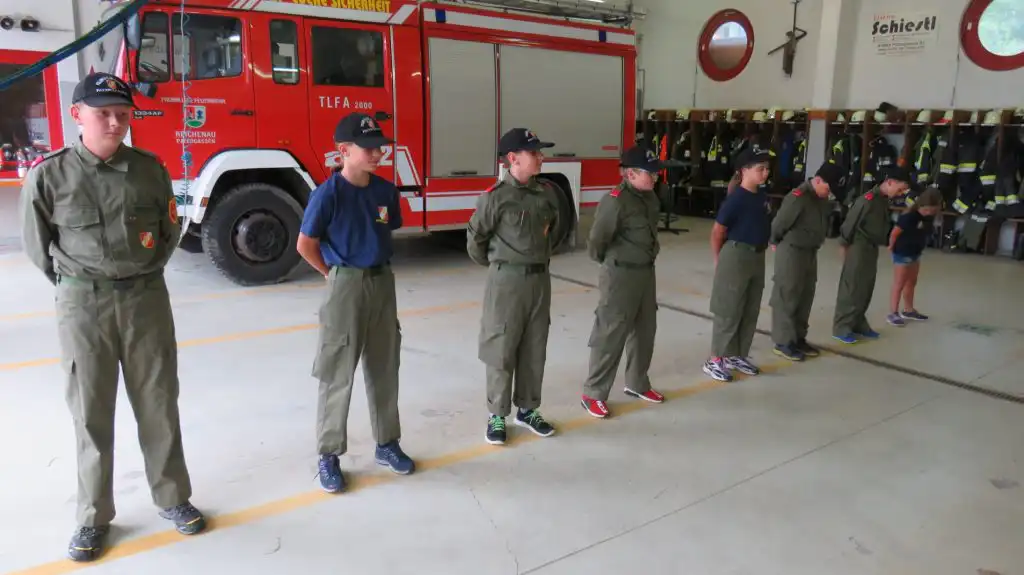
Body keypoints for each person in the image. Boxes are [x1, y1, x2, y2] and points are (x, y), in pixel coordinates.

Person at [19, 72, 206, 562]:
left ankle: (172, 496)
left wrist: (139, 274)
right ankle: (93, 515)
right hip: (84, 305)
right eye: (102, 113)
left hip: (145, 300)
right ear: (77, 114)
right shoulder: (50, 175)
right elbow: (39, 247)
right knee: (90, 411)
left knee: (158, 401)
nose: (114, 122)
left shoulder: (149, 169)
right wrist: (80, 286)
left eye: (122, 113)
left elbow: (168, 231)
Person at [296, 112, 415, 494]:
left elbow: (387, 227)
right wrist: (330, 274)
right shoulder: (328, 194)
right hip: (345, 283)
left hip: (381, 283)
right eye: (368, 148)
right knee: (337, 371)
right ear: (343, 151)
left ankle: (387, 442)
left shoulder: (385, 192)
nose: (377, 153)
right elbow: (305, 244)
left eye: (380, 147)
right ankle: (329, 454)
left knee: (385, 366)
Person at [467, 128, 559, 445]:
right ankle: (497, 414)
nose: (541, 157)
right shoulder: (495, 197)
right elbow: (475, 242)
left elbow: (555, 231)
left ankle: (528, 409)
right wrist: (502, 265)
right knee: (501, 347)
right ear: (512, 158)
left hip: (539, 279)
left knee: (535, 346)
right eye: (534, 153)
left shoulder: (547, 193)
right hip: (506, 281)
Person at [581, 146, 685, 418]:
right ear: (630, 174)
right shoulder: (615, 201)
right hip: (620, 275)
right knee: (611, 332)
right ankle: (593, 393)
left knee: (645, 330)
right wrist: (613, 264)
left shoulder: (650, 198)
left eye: (656, 172)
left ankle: (637, 383)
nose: (656, 177)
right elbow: (596, 242)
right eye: (650, 173)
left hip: (645, 273)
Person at [702, 146, 773, 383]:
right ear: (744, 171)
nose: (765, 173)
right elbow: (717, 232)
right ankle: (715, 359)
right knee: (729, 309)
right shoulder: (736, 199)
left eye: (767, 169)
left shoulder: (761, 196)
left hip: (756, 256)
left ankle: (736, 354)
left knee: (749, 308)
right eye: (760, 169)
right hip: (736, 255)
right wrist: (719, 259)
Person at [768, 161, 846, 361]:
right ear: (818, 180)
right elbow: (779, 224)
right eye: (828, 188)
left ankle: (798, 337)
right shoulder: (798, 197)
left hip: (810, 251)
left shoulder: (821, 199)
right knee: (788, 294)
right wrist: (775, 241)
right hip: (792, 252)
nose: (829, 194)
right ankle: (783, 341)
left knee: (805, 295)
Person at [832, 166, 911, 344]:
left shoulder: (882, 200)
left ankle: (858, 322)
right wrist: (844, 247)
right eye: (900, 189)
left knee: (866, 287)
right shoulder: (867, 200)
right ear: (889, 182)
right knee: (852, 288)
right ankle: (841, 327)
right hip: (858, 248)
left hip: (871, 248)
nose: (900, 194)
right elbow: (849, 224)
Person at [887, 186, 942, 326]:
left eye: (932, 210)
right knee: (899, 283)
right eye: (926, 210)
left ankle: (908, 310)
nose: (928, 213)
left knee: (911, 282)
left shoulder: (928, 218)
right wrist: (891, 247)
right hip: (902, 252)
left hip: (915, 253)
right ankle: (893, 313)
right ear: (920, 205)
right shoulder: (909, 217)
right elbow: (895, 233)